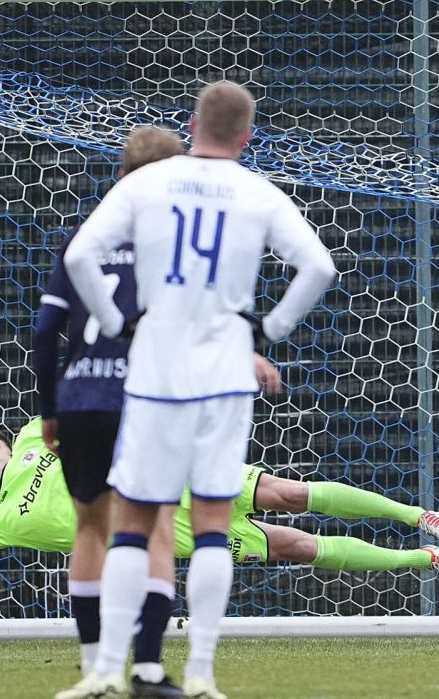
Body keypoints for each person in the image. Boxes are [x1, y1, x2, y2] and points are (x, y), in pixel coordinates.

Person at [61, 81, 339, 699]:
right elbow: (319, 265)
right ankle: (205, 675)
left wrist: (118, 324)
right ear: (246, 137)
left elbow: (82, 256)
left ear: (192, 125)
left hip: (157, 373)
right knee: (213, 524)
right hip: (222, 379)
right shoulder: (257, 191)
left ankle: (107, 669)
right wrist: (269, 328)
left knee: (132, 519)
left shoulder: (146, 184)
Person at [0, 417, 439, 632]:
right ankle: (425, 560)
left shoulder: (35, 434)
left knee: (288, 492)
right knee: (299, 547)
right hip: (165, 533)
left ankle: (414, 514)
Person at [33, 125, 190, 698]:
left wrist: (50, 409)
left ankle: (96, 669)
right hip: (144, 399)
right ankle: (147, 669)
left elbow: (47, 331)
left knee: (91, 528)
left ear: (120, 176)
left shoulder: (85, 240)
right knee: (155, 529)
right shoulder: (181, 244)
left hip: (80, 401)